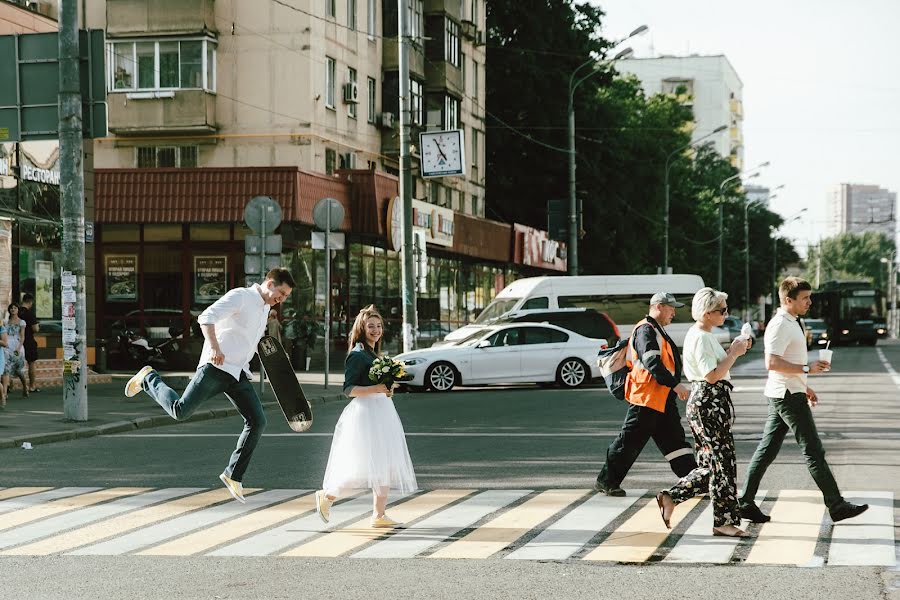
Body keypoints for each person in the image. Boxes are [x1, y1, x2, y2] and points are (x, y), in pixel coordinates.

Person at [124, 268, 295, 503]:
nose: (282, 299)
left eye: (285, 296)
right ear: (269, 282)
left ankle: (233, 475)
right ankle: (148, 379)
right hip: (216, 367)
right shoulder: (241, 296)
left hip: (237, 374)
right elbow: (206, 317)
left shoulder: (265, 309)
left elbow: (249, 342)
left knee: (258, 421)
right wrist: (214, 347)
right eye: (281, 293)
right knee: (180, 411)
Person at [738, 277, 868, 524]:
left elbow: (785, 362)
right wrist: (807, 369)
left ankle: (745, 502)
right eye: (805, 298)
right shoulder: (779, 325)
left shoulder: (794, 321)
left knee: (766, 451)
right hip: (787, 395)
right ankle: (837, 505)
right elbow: (772, 363)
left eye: (809, 297)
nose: (810, 302)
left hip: (788, 391)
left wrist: (805, 386)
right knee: (813, 451)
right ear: (788, 300)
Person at [654, 288, 750, 537]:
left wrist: (732, 352)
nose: (725, 314)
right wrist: (734, 353)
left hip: (706, 402)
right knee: (723, 464)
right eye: (722, 310)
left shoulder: (701, 334)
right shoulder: (702, 337)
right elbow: (712, 375)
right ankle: (723, 521)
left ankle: (671, 497)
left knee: (711, 465)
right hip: (709, 402)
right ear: (707, 313)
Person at [314, 305, 417, 528]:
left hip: (382, 411)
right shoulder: (358, 355)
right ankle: (328, 495)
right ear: (362, 328)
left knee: (385, 464)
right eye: (371, 326)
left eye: (379, 326)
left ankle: (379, 515)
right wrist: (378, 388)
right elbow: (348, 389)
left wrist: (387, 388)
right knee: (360, 465)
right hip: (366, 414)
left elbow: (376, 385)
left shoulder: (372, 353)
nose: (376, 330)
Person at [594, 292, 697, 496]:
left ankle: (693, 479)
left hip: (660, 397)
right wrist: (675, 385)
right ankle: (606, 480)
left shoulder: (656, 330)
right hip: (646, 397)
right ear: (658, 307)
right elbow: (652, 363)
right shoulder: (645, 330)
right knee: (629, 441)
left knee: (675, 441)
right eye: (671, 308)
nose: (673, 313)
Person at [3, 303, 29, 399]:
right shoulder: (6, 322)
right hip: (7, 346)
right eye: (11, 308)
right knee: (6, 369)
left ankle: (25, 387)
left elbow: (22, 337)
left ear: (18, 310)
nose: (13, 309)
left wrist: (18, 348)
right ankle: (5, 392)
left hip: (17, 345)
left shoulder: (21, 322)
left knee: (19, 370)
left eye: (15, 308)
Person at [19, 293, 40, 393]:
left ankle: (9, 385)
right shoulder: (30, 314)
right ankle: (32, 386)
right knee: (31, 363)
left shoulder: (15, 312)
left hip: (16, 341)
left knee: (13, 363)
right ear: (31, 301)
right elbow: (35, 329)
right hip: (28, 341)